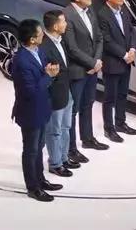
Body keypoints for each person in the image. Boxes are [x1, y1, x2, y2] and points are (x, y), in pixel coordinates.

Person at [11, 19, 63, 202]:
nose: (43, 35)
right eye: (40, 34)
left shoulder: (38, 51)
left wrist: (51, 70)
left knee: (39, 148)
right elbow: (30, 91)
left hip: (42, 108)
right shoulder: (21, 61)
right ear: (32, 39)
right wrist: (48, 76)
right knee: (31, 150)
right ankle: (33, 188)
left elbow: (44, 70)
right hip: (30, 113)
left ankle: (40, 180)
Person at [63, 0, 109, 164]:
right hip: (78, 71)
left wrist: (96, 62)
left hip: (92, 69)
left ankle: (88, 139)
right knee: (73, 110)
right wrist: (91, 63)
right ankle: (71, 149)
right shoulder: (67, 16)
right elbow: (72, 48)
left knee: (88, 104)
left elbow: (99, 38)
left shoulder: (90, 10)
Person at [97, 0, 136, 143]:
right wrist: (124, 54)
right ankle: (109, 129)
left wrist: (133, 49)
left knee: (123, 94)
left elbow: (131, 31)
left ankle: (120, 123)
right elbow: (106, 41)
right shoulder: (102, 14)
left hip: (127, 61)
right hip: (112, 62)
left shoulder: (124, 10)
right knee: (110, 98)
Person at [40, 10, 80, 178]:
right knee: (54, 131)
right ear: (56, 26)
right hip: (54, 95)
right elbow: (45, 73)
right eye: (63, 21)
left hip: (66, 91)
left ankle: (63, 158)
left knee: (65, 127)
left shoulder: (60, 41)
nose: (66, 24)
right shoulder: (44, 46)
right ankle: (55, 164)